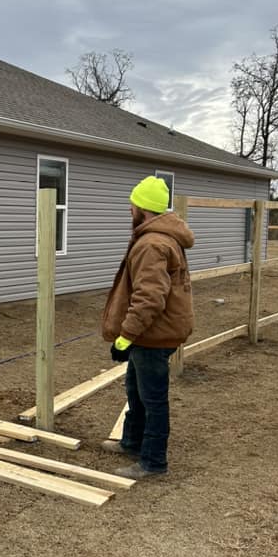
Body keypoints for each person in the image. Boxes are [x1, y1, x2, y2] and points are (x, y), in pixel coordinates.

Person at [100, 176, 194, 479]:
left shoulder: (152, 244)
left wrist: (125, 336)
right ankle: (131, 442)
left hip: (152, 334)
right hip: (155, 332)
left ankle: (153, 462)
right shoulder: (161, 237)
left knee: (152, 397)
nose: (130, 209)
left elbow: (149, 298)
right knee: (135, 389)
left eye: (134, 204)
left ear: (144, 209)